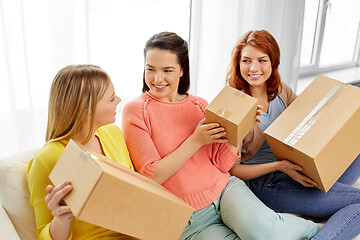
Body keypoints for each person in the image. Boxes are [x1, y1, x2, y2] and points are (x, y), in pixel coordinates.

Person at [121, 31, 319, 240]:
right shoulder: (136, 111)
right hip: (189, 218)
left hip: (226, 191)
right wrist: (196, 140)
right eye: (150, 69)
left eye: (167, 70)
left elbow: (222, 164)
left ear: (181, 70)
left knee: (267, 234)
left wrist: (240, 129)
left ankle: (315, 231)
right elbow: (151, 176)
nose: (157, 78)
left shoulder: (200, 104)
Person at [227, 29, 360, 240]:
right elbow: (233, 170)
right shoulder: (233, 104)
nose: (253, 68)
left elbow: (305, 124)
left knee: (356, 145)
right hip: (266, 183)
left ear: (273, 63)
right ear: (238, 63)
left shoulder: (280, 90)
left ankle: (323, 204)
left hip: (297, 168)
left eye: (262, 60)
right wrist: (280, 166)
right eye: (246, 61)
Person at [27, 65, 136, 240]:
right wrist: (61, 219)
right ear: (87, 109)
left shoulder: (112, 132)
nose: (118, 100)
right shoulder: (49, 158)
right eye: (110, 99)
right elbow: (42, 235)